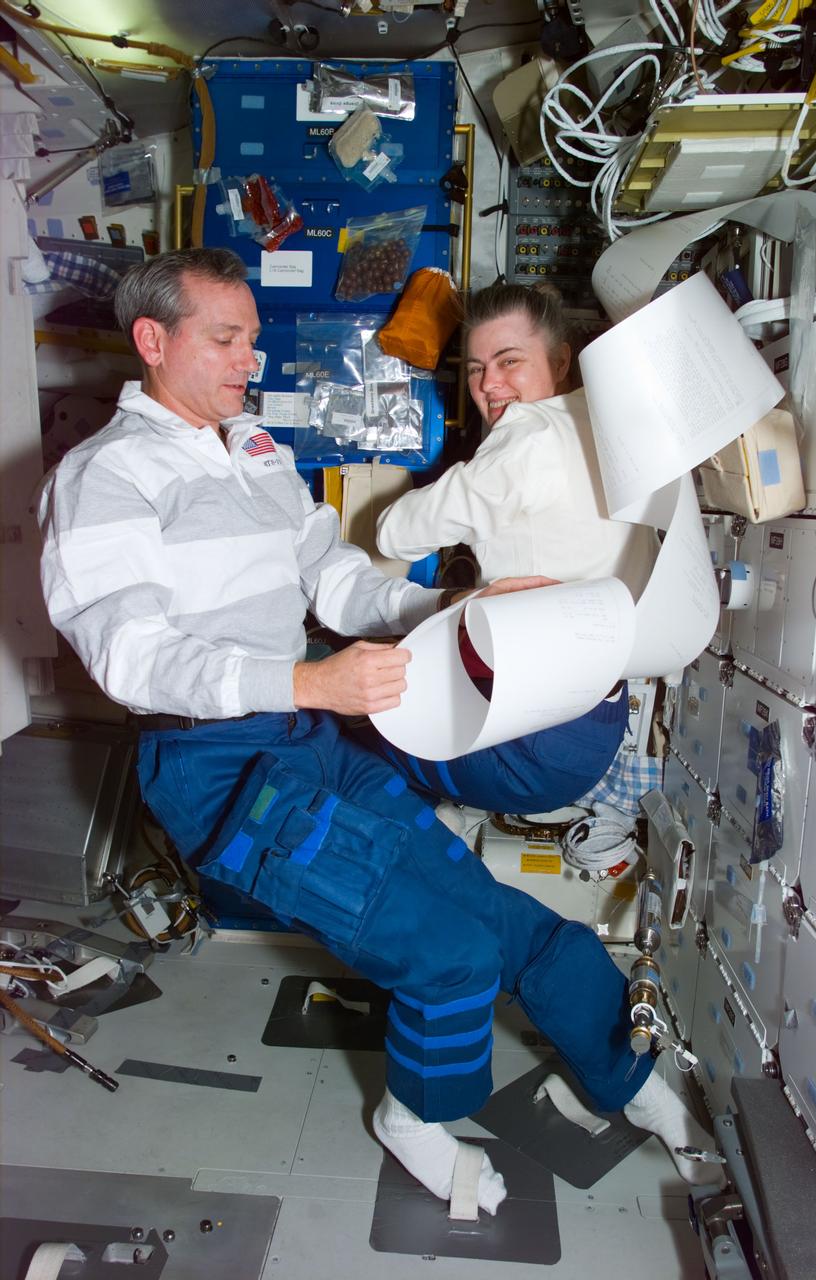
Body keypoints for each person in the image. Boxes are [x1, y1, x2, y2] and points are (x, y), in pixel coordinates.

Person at [37, 248, 721, 1219]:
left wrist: (453, 610)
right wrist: (312, 678)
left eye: (252, 338)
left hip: (310, 733)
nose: (249, 359)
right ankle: (414, 1117)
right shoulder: (106, 475)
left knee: (519, 927)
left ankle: (628, 1076)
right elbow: (129, 657)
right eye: (225, 338)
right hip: (216, 765)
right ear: (153, 340)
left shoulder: (252, 448)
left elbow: (334, 577)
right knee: (448, 954)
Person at [373, 281, 661, 816]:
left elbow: (396, 532)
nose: (489, 383)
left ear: (560, 360)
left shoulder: (529, 434)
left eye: (509, 361)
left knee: (358, 728)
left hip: (532, 746)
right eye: (476, 368)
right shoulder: (608, 415)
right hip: (596, 721)